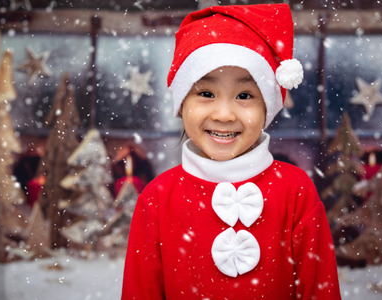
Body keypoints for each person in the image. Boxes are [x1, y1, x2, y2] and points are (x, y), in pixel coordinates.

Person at [122, 4, 341, 299]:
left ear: (267, 106)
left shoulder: (296, 191)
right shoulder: (157, 199)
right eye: (206, 93)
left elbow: (321, 291)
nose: (224, 114)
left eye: (244, 95)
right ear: (181, 104)